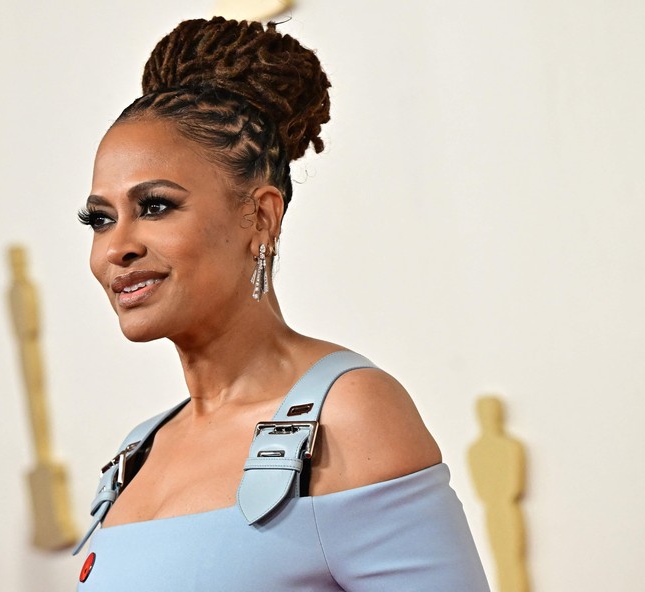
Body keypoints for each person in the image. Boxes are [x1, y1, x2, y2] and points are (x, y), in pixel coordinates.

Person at [74, 16, 489, 590]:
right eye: (100, 219)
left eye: (156, 206)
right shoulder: (137, 453)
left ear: (262, 216)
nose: (117, 247)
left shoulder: (347, 416)